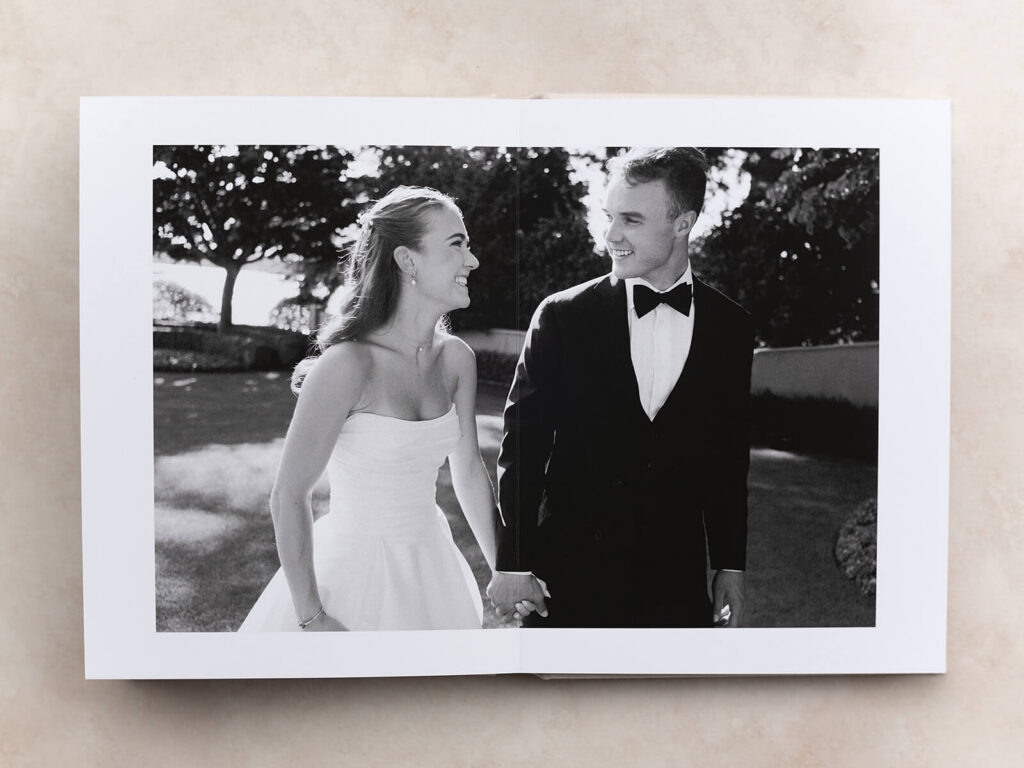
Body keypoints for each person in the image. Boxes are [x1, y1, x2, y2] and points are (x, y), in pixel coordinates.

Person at [487, 147, 754, 629]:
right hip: (567, 581)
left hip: (676, 586)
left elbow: (728, 457)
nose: (611, 235)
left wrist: (730, 564)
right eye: (610, 217)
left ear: (683, 222)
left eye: (630, 219)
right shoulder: (562, 316)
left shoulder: (731, 327)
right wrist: (516, 562)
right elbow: (522, 447)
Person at [239, 186, 498, 632]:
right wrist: (312, 616)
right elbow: (288, 495)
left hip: (432, 566)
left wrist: (503, 569)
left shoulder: (456, 359)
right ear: (407, 260)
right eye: (457, 245)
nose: (472, 261)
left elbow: (469, 471)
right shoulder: (347, 365)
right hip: (350, 575)